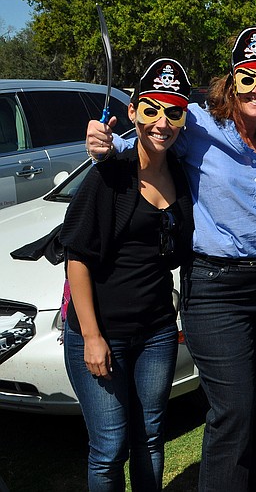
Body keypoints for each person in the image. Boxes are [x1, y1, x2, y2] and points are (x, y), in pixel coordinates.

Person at [86, 27, 256, 491]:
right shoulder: (198, 125)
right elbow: (145, 142)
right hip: (217, 287)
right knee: (234, 408)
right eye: (248, 77)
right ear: (232, 79)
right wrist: (103, 142)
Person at [62, 58, 194, 491]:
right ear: (133, 111)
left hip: (156, 331)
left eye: (174, 112)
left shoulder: (180, 173)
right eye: (152, 109)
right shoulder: (110, 175)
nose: (162, 123)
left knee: (150, 438)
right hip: (102, 333)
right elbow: (77, 257)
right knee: (109, 447)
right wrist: (92, 336)